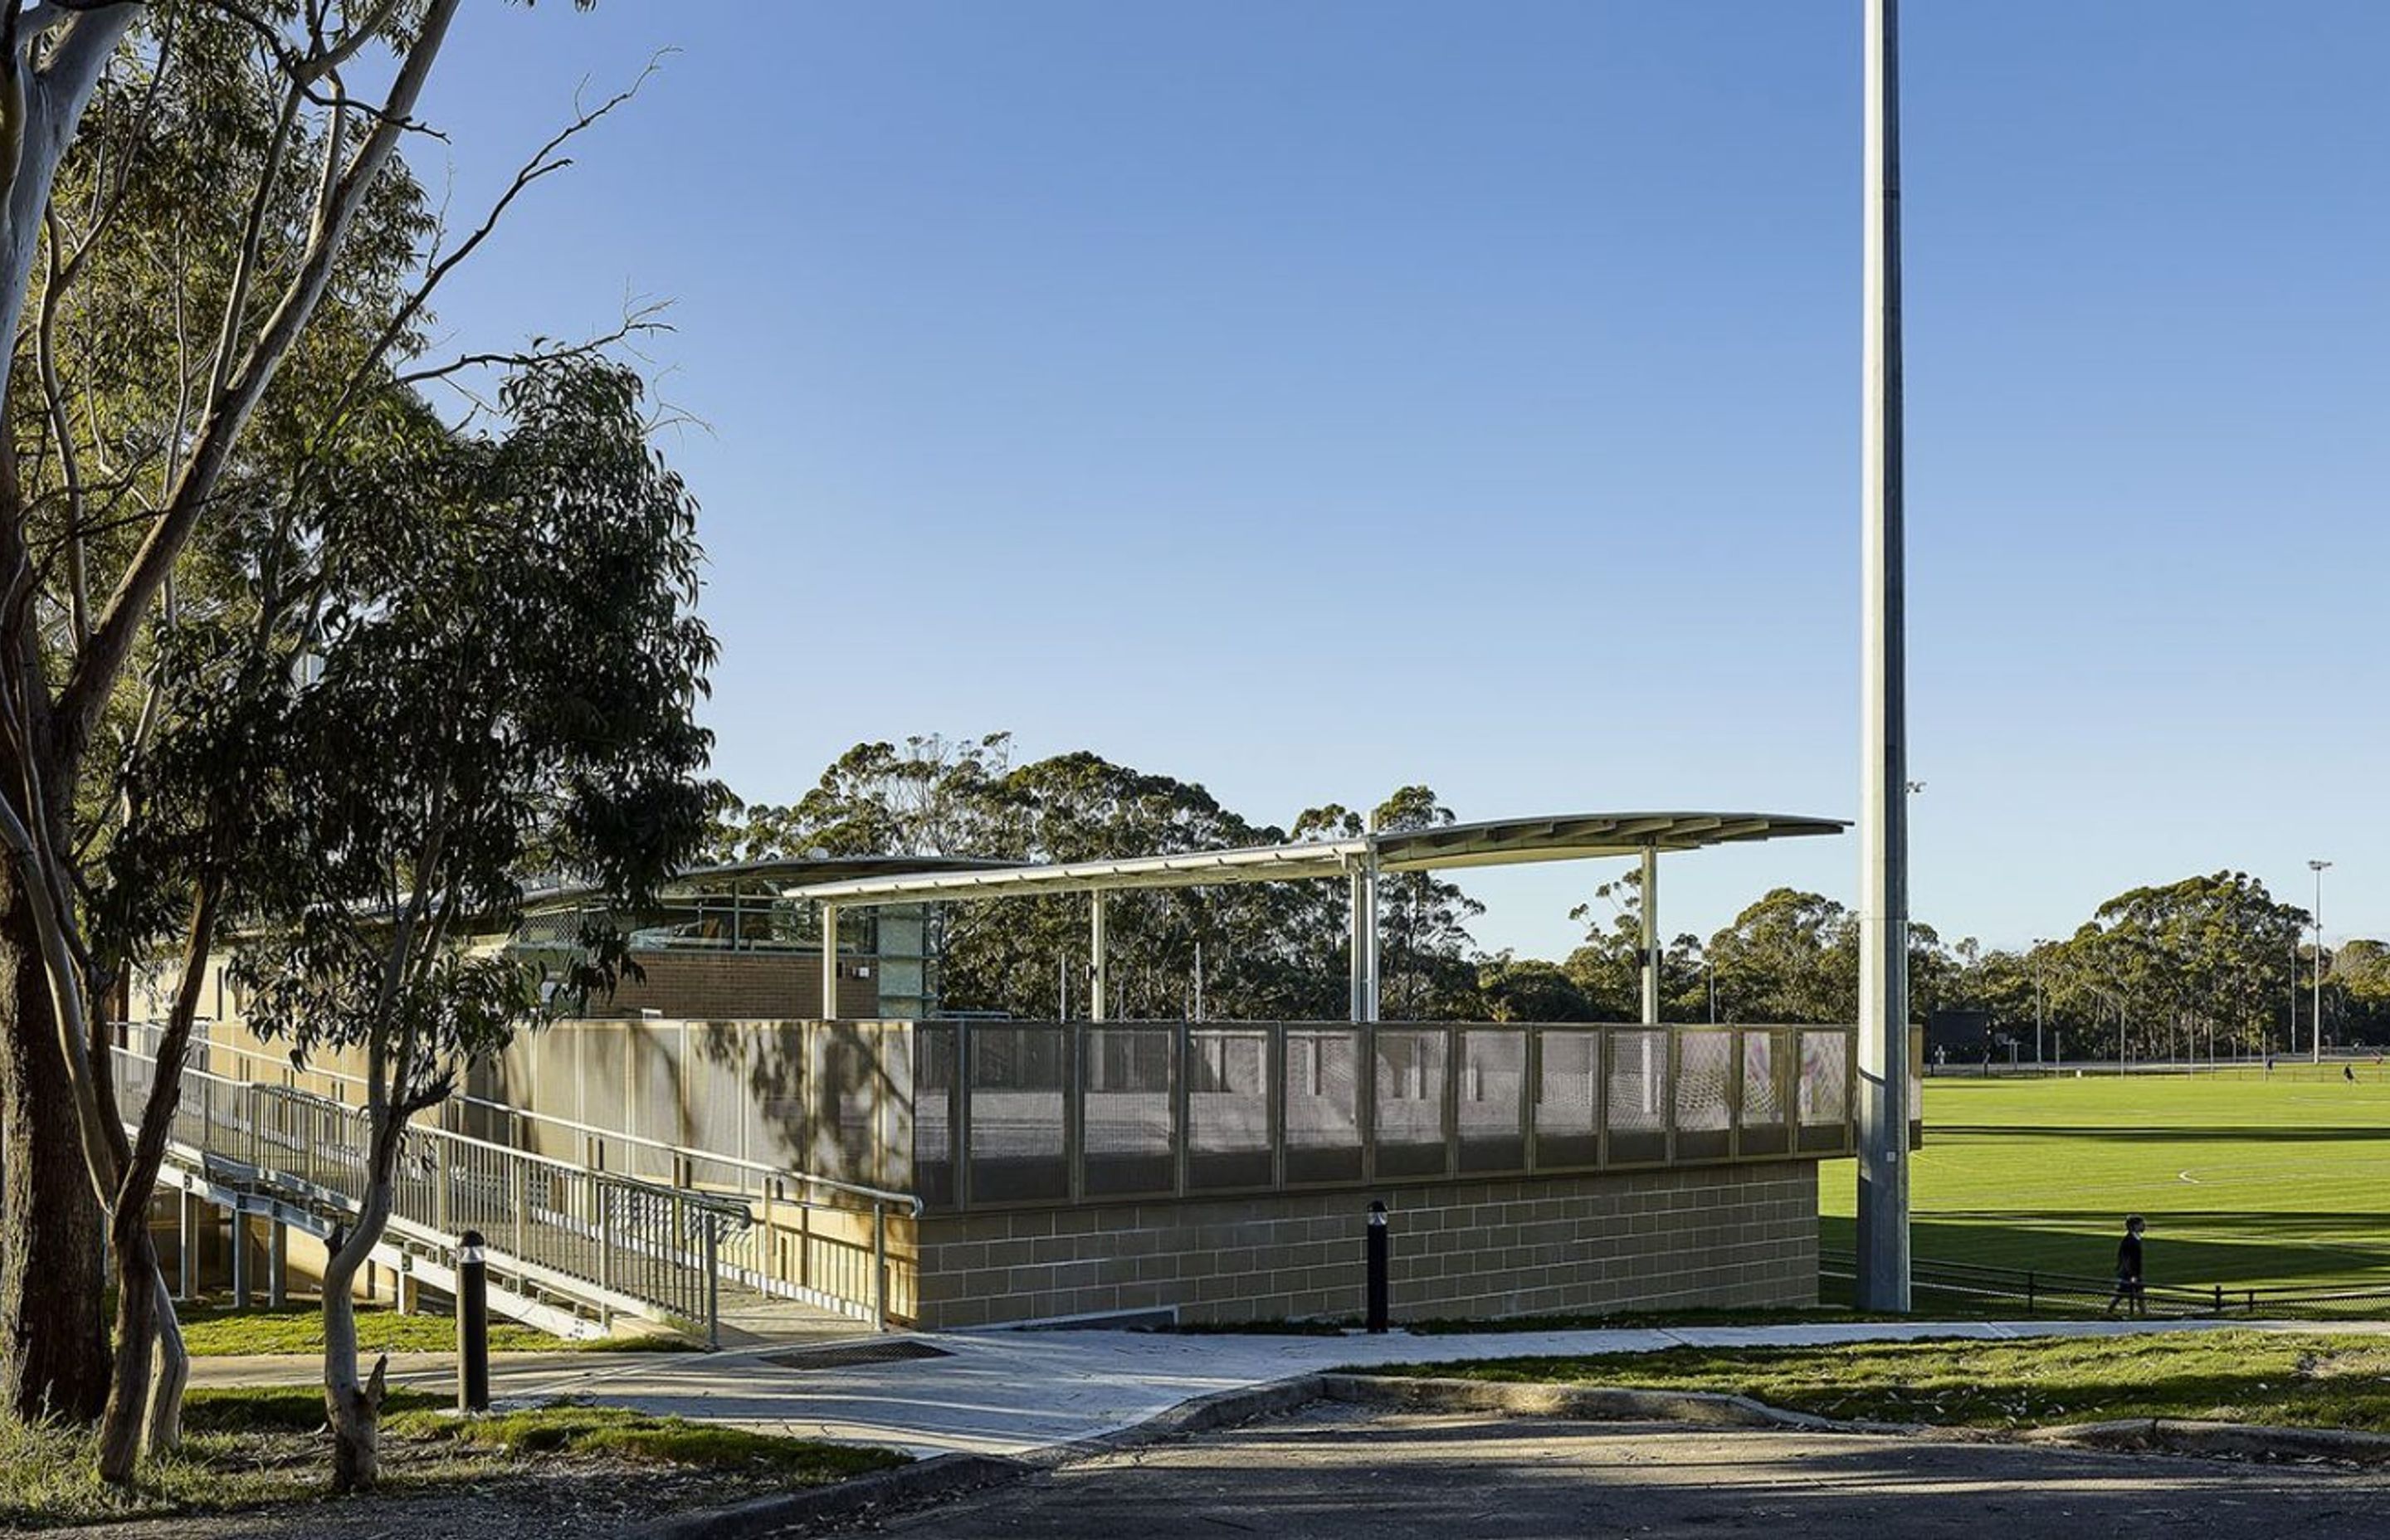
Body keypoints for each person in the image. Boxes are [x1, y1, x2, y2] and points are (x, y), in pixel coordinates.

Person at [2105, 1215, 2147, 1318]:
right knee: (2122, 1294)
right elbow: (2127, 1259)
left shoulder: (2134, 1239)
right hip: (2129, 1273)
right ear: (2134, 1226)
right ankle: (2108, 1312)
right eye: (2141, 1224)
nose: (2144, 1226)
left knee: (2139, 1295)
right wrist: (2132, 1275)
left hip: (2132, 1272)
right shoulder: (2130, 1241)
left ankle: (2144, 1314)